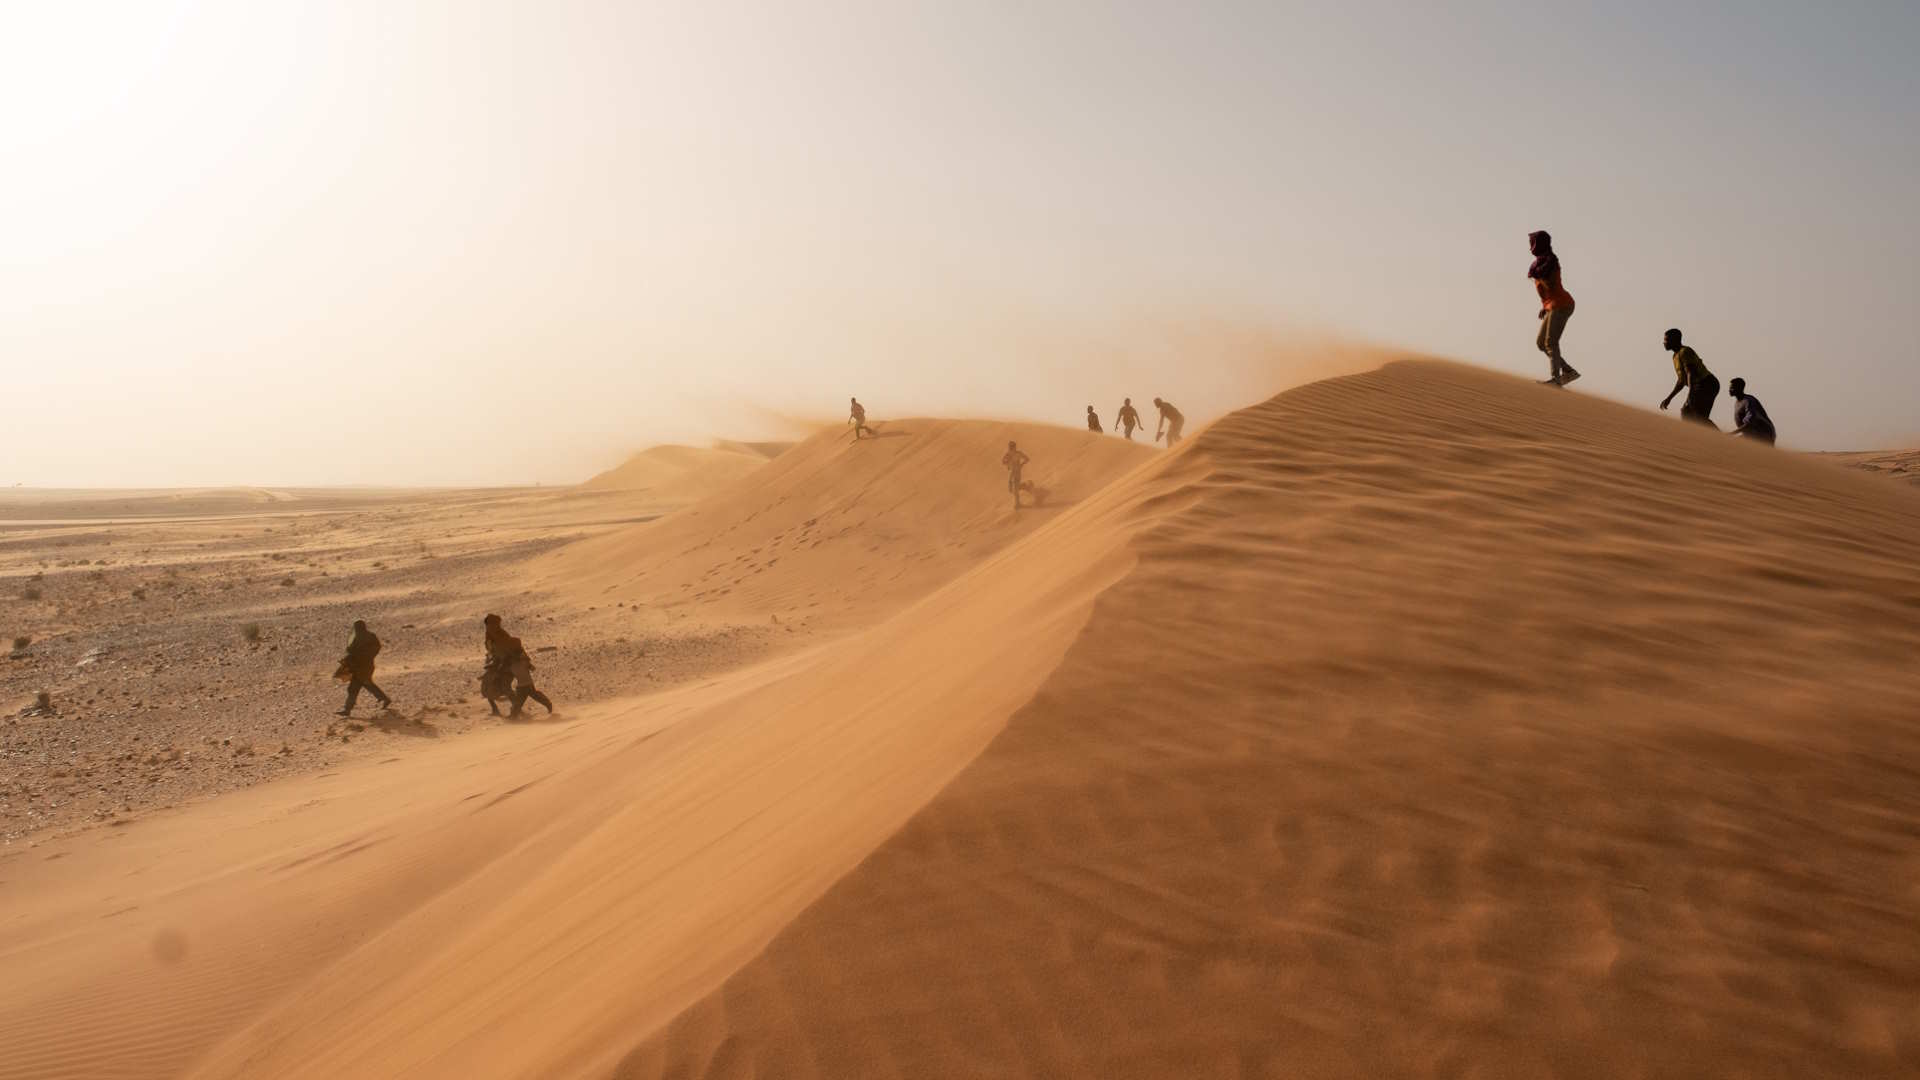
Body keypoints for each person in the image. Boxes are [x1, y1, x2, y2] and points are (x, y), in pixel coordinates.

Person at [1528, 230, 1580, 386]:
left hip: (1562, 304)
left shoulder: (1550, 262)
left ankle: (1556, 379)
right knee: (1540, 343)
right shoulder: (1539, 264)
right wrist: (1544, 306)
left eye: (1533, 243)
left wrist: (1538, 277)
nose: (1530, 247)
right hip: (1553, 305)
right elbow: (1547, 291)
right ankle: (1569, 371)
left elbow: (1551, 285)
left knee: (1550, 342)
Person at [483, 613, 552, 717]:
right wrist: (491, 658)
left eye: (493, 624)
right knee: (491, 685)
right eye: (489, 624)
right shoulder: (490, 635)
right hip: (503, 663)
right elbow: (493, 651)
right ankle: (506, 710)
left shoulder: (501, 635)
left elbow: (514, 648)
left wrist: (525, 661)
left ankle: (515, 711)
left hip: (510, 664)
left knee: (516, 688)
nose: (490, 626)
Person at [1659, 328, 1720, 427]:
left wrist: (1691, 393)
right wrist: (1669, 398)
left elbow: (1691, 374)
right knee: (1694, 415)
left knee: (1690, 413)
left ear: (1674, 340)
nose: (1664, 342)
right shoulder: (1675, 356)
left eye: (1666, 340)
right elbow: (1681, 381)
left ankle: (1719, 439)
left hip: (1707, 384)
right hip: (1700, 386)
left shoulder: (1685, 352)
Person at [335, 619, 390, 716]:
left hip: (361, 668)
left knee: (354, 688)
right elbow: (376, 648)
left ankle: (347, 710)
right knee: (365, 684)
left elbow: (352, 651)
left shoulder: (357, 638)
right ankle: (384, 699)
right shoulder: (371, 636)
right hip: (366, 667)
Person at [1728, 378, 1777, 444]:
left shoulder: (1748, 401)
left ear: (1739, 388)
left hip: (1764, 436)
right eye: (1729, 388)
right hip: (1751, 435)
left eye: (1732, 388)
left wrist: (1731, 434)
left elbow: (1749, 424)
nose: (1729, 390)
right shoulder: (1738, 402)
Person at [1002, 440, 1030, 510]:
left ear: (1014, 447)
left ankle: (1017, 504)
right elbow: (1003, 461)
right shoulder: (1008, 454)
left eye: (1011, 447)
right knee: (1011, 489)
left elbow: (1027, 459)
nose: (1010, 448)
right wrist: (1008, 464)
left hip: (1017, 472)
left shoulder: (1018, 453)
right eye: (1010, 447)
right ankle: (1025, 486)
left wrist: (1021, 464)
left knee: (1015, 489)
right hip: (1012, 473)